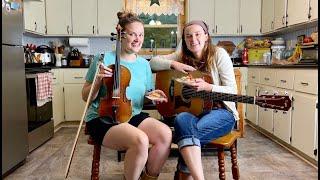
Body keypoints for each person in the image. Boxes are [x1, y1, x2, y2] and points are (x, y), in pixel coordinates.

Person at [82, 11, 172, 180]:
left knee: (165, 134)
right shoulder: (102, 59)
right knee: (140, 140)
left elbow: (142, 97)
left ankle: (149, 176)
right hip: (103, 118)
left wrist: (152, 96)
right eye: (132, 34)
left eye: (141, 35)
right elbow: (85, 97)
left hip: (132, 115)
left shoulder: (144, 65)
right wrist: (98, 81)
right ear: (121, 35)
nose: (138, 39)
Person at [149, 20, 239, 180]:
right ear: (184, 40)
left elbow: (233, 92)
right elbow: (153, 63)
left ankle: (184, 172)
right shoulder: (181, 56)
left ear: (206, 36)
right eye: (188, 36)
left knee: (185, 131)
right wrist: (174, 64)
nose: (193, 39)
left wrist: (208, 87)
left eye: (197, 34)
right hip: (193, 113)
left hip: (222, 112)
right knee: (182, 119)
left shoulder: (219, 54)